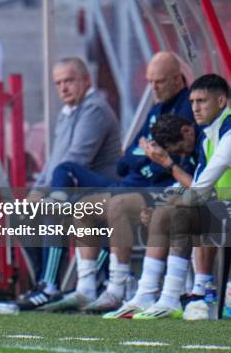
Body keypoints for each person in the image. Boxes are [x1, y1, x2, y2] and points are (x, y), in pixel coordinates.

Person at [44, 51, 197, 312]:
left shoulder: (186, 108)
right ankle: (86, 288)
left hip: (156, 188)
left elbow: (167, 160)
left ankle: (118, 287)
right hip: (131, 183)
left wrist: (149, 159)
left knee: (117, 206)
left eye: (158, 82)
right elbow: (125, 161)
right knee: (83, 207)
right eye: (149, 82)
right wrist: (145, 158)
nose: (153, 88)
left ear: (176, 78)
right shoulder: (156, 108)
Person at [107, 74, 229, 320]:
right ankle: (149, 294)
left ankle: (187, 295)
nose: (195, 108)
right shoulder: (208, 134)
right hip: (222, 206)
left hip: (222, 207)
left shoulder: (228, 130)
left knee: (188, 210)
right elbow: (197, 184)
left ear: (222, 101)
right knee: (175, 210)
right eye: (193, 101)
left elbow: (202, 186)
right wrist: (168, 201)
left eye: (202, 101)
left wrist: (172, 194)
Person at [17, 57, 121, 310]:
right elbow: (55, 161)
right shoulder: (68, 113)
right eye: (58, 83)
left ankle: (50, 284)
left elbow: (77, 160)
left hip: (99, 190)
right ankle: (43, 283)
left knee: (54, 208)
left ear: (86, 80)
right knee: (22, 216)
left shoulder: (94, 108)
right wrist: (35, 193)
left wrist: (44, 194)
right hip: (74, 188)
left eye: (69, 81)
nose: (63, 88)